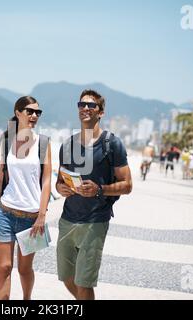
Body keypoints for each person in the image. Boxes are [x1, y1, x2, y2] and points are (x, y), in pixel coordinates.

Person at [55, 89, 132, 300]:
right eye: (82, 105)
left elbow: (127, 184)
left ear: (101, 112)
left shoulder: (112, 144)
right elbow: (60, 180)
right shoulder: (68, 144)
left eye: (91, 105)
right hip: (68, 219)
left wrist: (100, 189)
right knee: (67, 277)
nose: (86, 108)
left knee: (84, 282)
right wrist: (60, 188)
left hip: (95, 222)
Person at [0, 96, 51, 300]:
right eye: (29, 111)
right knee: (4, 268)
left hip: (31, 218)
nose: (34, 116)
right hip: (5, 213)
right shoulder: (6, 141)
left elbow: (47, 181)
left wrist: (42, 215)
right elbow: (1, 177)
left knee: (25, 269)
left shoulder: (43, 143)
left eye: (37, 113)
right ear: (18, 113)